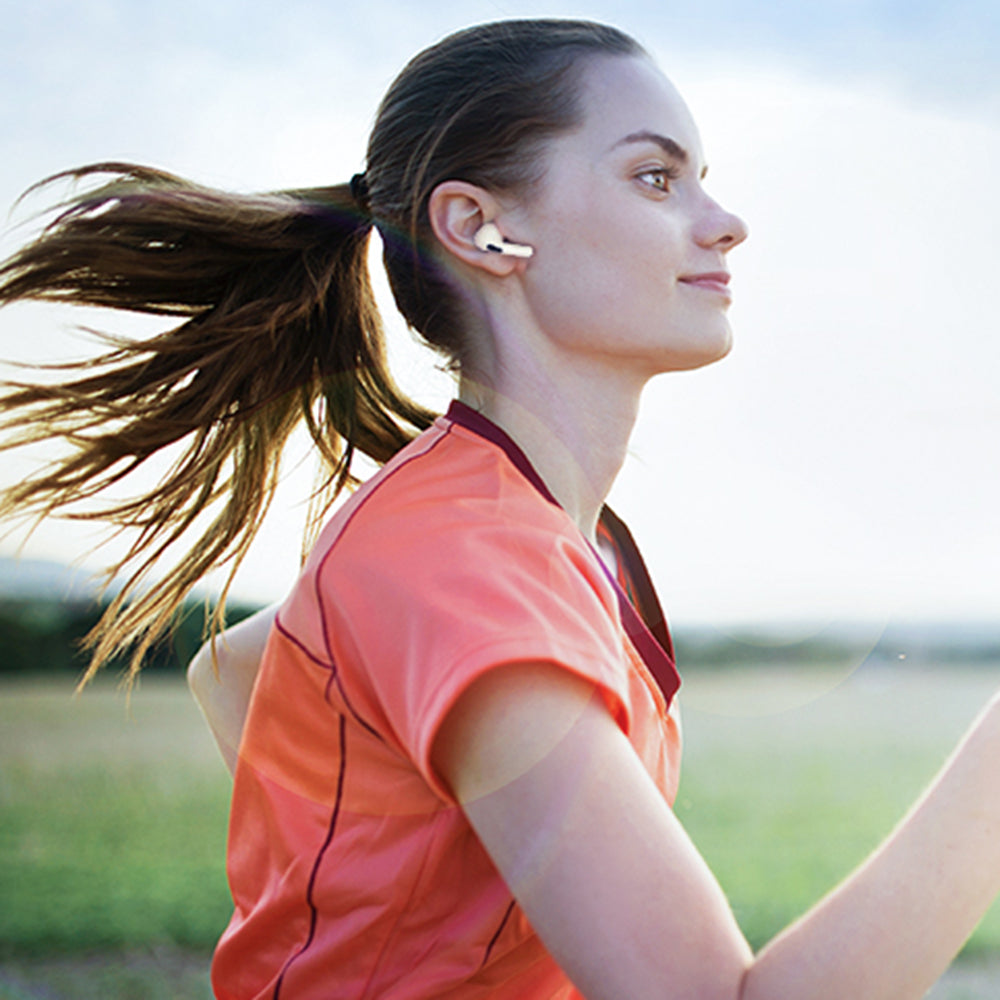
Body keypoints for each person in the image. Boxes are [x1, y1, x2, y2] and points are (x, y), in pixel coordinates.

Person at [2, 17, 999, 1000]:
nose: (723, 219)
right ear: (483, 228)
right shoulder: (462, 556)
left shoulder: (534, 528)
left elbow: (242, 666)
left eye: (699, 175)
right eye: (656, 177)